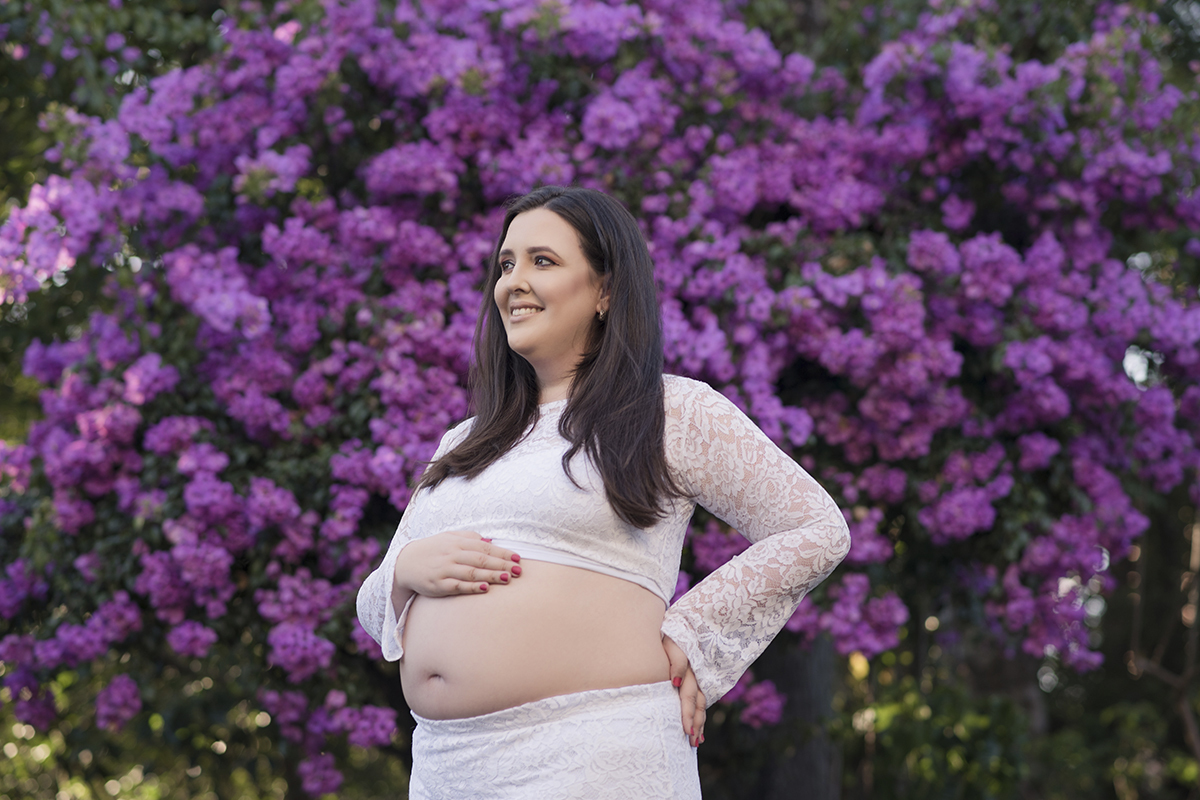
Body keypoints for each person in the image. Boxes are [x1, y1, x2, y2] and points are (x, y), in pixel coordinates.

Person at [356, 185, 851, 799]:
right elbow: (378, 612)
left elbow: (815, 528)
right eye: (505, 264)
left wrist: (694, 633)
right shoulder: (465, 439)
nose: (514, 281)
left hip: (593, 754)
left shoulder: (671, 410)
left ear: (606, 291)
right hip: (447, 769)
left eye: (543, 261)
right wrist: (404, 569)